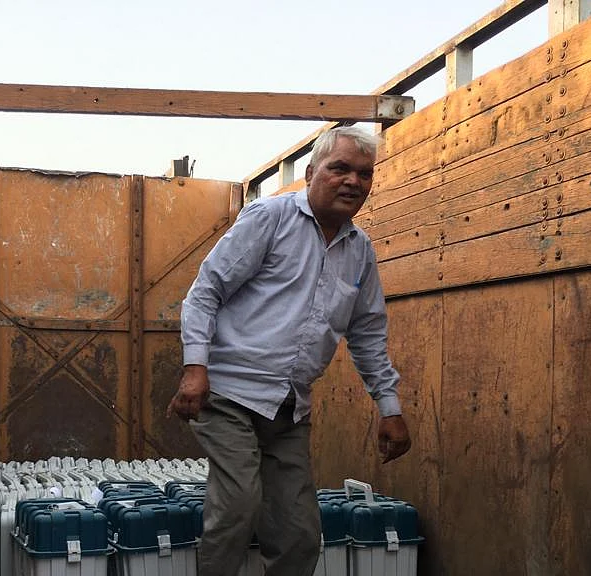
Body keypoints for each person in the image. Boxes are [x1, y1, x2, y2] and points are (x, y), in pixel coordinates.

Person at [167, 125, 412, 576]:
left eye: (364, 173)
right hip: (227, 394)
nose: (352, 181)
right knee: (239, 505)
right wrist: (195, 369)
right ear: (311, 171)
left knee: (299, 534)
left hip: (289, 408)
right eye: (339, 168)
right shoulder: (270, 218)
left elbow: (368, 334)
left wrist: (389, 407)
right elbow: (205, 292)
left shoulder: (360, 251)